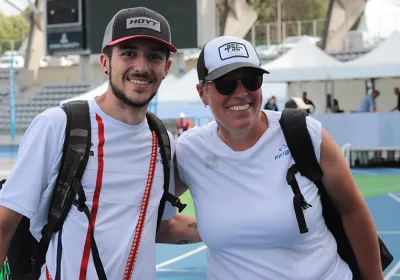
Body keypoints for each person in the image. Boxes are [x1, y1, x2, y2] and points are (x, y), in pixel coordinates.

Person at [0, 7, 201, 280]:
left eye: (154, 56)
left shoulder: (161, 142)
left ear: (166, 67)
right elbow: (4, 225)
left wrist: (241, 227)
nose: (141, 66)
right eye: (128, 53)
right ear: (105, 62)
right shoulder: (58, 126)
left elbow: (158, 226)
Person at [174, 35, 383, 280]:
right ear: (202, 93)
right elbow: (148, 215)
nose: (241, 93)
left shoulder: (305, 133)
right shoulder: (189, 151)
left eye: (251, 80)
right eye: (225, 84)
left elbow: (353, 210)